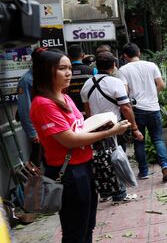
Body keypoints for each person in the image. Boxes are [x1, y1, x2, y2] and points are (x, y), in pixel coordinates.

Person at [30, 50, 129, 242]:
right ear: (45, 71)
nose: (68, 73)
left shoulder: (64, 98)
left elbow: (81, 127)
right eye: (61, 68)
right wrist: (110, 132)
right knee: (75, 230)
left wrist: (102, 125)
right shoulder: (43, 104)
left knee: (88, 225)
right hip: (68, 172)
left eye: (68, 68)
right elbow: (69, 139)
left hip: (84, 166)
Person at [81, 52, 143, 203]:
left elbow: (87, 111)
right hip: (114, 127)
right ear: (113, 66)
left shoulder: (87, 84)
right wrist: (134, 128)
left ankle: (105, 193)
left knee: (101, 160)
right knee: (116, 158)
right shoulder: (115, 83)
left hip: (94, 129)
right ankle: (119, 193)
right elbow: (126, 108)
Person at [117, 43, 167, 182]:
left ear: (125, 56)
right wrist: (153, 94)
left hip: (137, 111)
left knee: (139, 142)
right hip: (154, 108)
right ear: (139, 52)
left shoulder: (123, 70)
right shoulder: (151, 65)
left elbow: (124, 91)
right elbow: (161, 85)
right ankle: (165, 165)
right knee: (158, 139)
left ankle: (143, 171)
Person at [16, 48, 46, 165]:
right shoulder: (27, 80)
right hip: (38, 128)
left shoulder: (46, 76)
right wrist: (33, 132)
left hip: (49, 126)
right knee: (36, 161)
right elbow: (24, 109)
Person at [67, 44, 95, 117]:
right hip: (89, 108)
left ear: (68, 56)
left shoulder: (65, 72)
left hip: (71, 109)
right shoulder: (93, 71)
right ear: (83, 55)